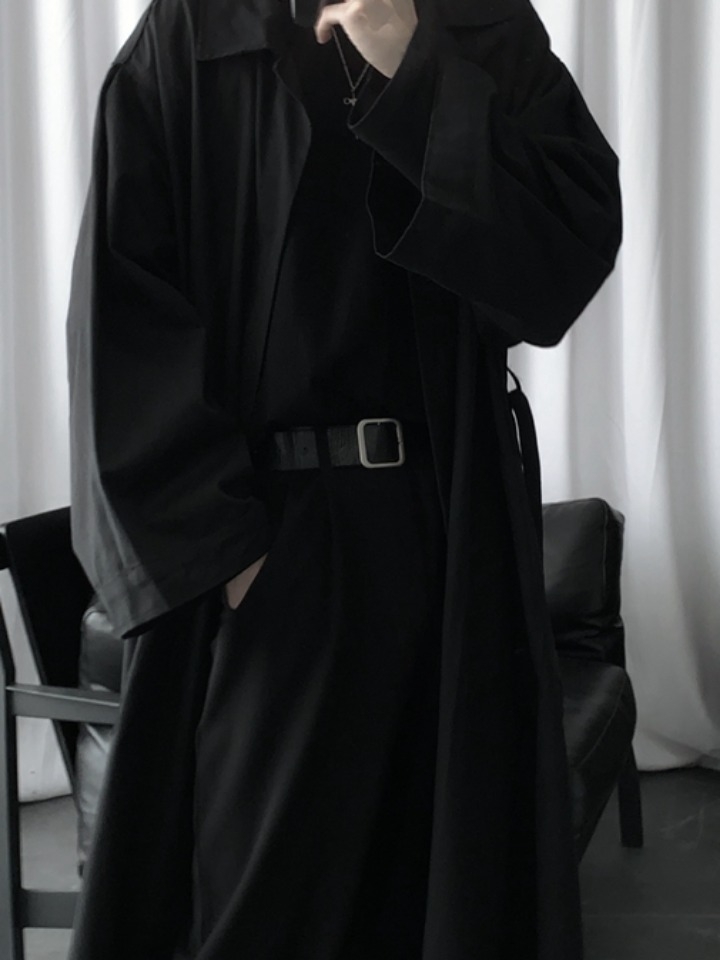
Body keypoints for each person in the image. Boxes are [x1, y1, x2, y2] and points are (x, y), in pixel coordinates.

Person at [65, 0, 622, 957]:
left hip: (450, 540)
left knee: (447, 893)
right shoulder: (191, 31)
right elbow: (116, 325)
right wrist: (224, 561)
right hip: (268, 555)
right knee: (263, 904)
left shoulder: (477, 21)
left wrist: (418, 72)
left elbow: (563, 261)